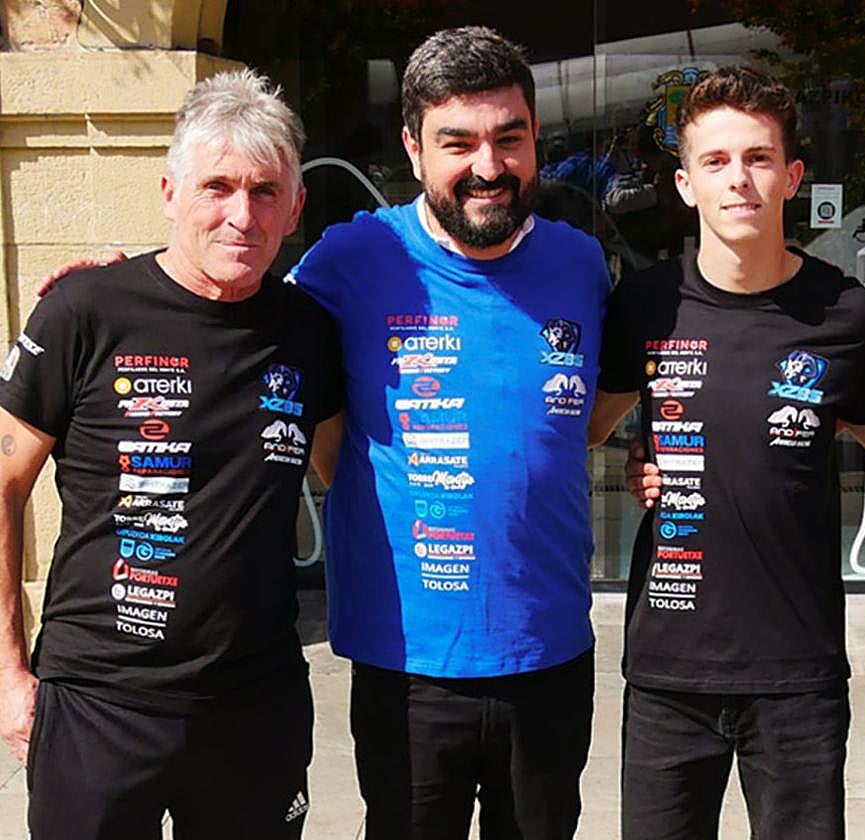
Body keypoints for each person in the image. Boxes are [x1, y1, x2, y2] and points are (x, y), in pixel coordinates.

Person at [0, 69, 341, 838]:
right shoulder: (84, 312)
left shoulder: (311, 332)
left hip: (254, 706)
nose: (241, 215)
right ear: (169, 192)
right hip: (98, 704)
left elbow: (349, 473)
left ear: (295, 207)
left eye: (265, 191)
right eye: (217, 187)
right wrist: (7, 676)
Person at [289, 27, 609, 840]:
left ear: (536, 136)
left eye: (509, 138)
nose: (488, 167)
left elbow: (587, 418)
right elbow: (230, 314)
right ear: (413, 147)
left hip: (550, 652)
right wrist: (120, 282)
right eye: (458, 143)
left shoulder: (581, 263)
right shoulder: (352, 257)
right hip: (408, 664)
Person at [587, 66, 865, 840]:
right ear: (685, 185)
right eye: (716, 161)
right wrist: (640, 451)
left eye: (758, 158)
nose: (739, 179)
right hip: (667, 672)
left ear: (793, 176)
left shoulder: (848, 315)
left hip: (798, 674)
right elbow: (578, 428)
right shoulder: (645, 306)